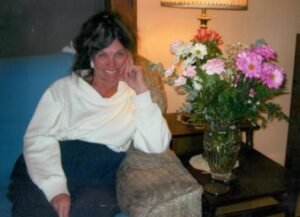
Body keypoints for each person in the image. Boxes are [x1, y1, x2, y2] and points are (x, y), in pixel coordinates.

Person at [8, 11, 171, 217]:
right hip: (49, 168)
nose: (112, 64)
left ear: (129, 56)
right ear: (91, 57)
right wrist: (56, 189)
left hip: (99, 179)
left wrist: (141, 92)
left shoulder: (135, 98)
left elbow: (156, 144)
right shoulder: (63, 90)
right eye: (102, 54)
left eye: (119, 54)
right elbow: (38, 138)